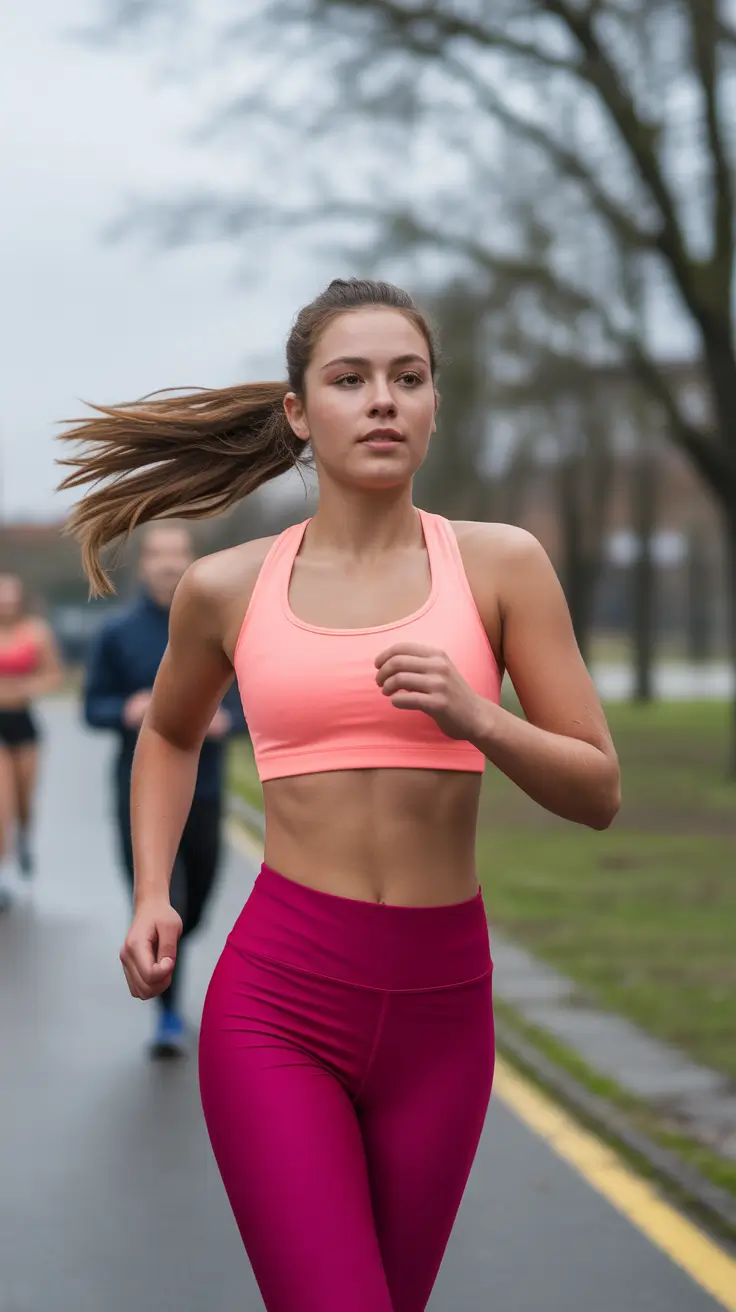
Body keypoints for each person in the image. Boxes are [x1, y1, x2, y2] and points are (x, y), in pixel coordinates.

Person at [59, 277, 620, 1311]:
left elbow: (597, 790)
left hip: (443, 1012)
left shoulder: (500, 565)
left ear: (434, 404)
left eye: (407, 379)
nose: (381, 401)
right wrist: (151, 891)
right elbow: (171, 734)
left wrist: (481, 717)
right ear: (298, 412)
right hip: (281, 1003)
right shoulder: (229, 586)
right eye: (349, 379)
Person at [82, 523, 247, 1056]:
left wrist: (229, 720)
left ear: (191, 560)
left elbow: (250, 704)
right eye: (158, 555)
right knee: (164, 904)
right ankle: (170, 1018)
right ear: (144, 563)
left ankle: (171, 975)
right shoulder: (117, 634)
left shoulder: (220, 625)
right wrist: (126, 710)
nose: (169, 564)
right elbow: (92, 707)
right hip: (142, 797)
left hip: (207, 791)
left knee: (193, 909)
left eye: (178, 554)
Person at [0, 572, 63, 909]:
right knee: (1, 800)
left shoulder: (36, 632)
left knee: (24, 799)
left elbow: (53, 674)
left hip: (23, 724)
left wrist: (28, 688)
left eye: (11, 597)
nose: (6, 603)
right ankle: (3, 873)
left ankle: (24, 838)